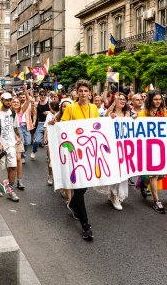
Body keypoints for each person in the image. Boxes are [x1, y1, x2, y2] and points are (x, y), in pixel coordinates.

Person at [60, 80, 98, 240]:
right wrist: (56, 123)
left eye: (86, 91)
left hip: (89, 151)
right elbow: (63, 126)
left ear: (90, 93)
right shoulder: (70, 108)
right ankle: (85, 225)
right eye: (80, 91)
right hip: (75, 152)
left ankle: (73, 204)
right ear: (77, 92)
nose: (83, 94)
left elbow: (98, 125)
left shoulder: (94, 108)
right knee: (79, 188)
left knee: (85, 186)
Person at [0, 92, 22, 202]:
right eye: (6, 100)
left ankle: (10, 190)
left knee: (12, 166)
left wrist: (19, 137)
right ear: (2, 100)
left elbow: (15, 127)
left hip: (11, 145)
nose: (9, 102)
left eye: (10, 100)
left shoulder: (13, 113)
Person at [137, 90, 167, 214]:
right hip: (148, 146)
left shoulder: (163, 112)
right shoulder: (143, 113)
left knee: (162, 175)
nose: (158, 101)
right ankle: (156, 201)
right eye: (155, 99)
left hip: (161, 146)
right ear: (150, 100)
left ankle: (144, 183)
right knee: (153, 174)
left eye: (159, 99)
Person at [103, 93, 130, 210]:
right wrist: (112, 106)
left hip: (124, 147)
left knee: (123, 172)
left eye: (124, 99)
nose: (123, 101)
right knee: (115, 171)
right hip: (112, 146)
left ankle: (116, 195)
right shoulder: (110, 113)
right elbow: (105, 117)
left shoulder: (127, 113)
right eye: (120, 99)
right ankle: (114, 196)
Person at [12, 88, 32, 189]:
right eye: (14, 102)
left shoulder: (20, 112)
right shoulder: (8, 112)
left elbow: (28, 101)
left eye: (17, 102)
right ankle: (10, 182)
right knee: (10, 161)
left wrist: (26, 91)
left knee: (18, 158)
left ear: (20, 104)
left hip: (18, 133)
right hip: (10, 135)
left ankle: (19, 181)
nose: (15, 103)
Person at [43, 101, 59, 186]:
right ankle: (50, 175)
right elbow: (46, 126)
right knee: (50, 158)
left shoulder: (61, 114)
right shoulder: (49, 115)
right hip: (51, 138)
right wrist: (45, 137)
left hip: (60, 139)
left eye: (50, 106)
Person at [31, 89, 50, 160]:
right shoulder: (37, 104)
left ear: (46, 95)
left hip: (49, 124)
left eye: (44, 95)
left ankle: (48, 156)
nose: (43, 96)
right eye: (41, 95)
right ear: (39, 96)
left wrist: (49, 111)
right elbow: (35, 115)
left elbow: (55, 111)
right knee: (36, 141)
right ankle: (34, 151)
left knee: (49, 142)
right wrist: (33, 122)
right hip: (40, 124)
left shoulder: (49, 103)